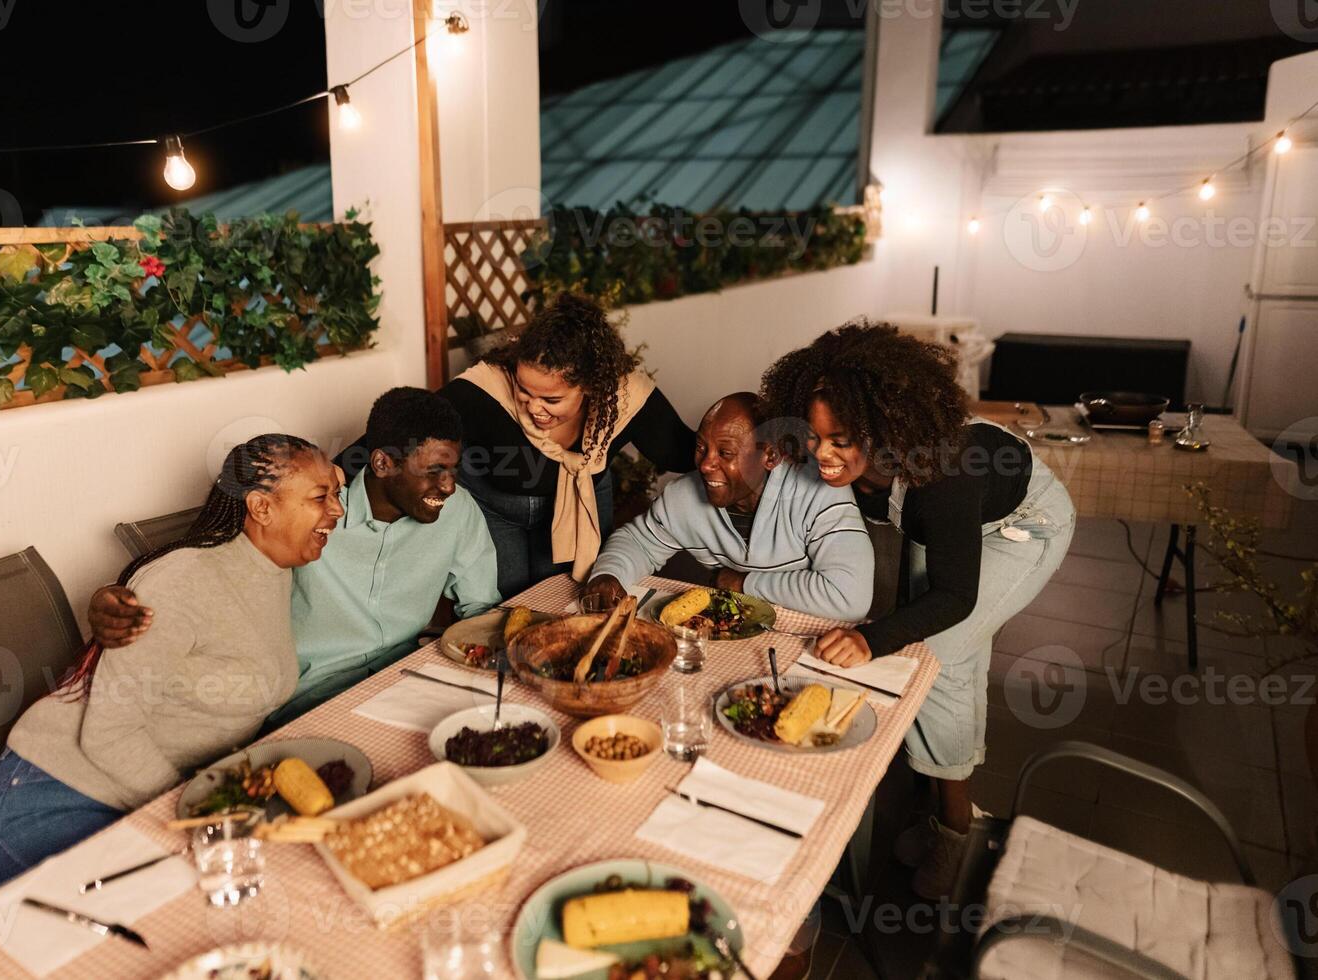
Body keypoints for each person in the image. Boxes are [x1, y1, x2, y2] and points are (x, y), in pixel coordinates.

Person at [761, 321, 1075, 900]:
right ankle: (937, 804)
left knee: (938, 656)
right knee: (933, 645)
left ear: (885, 428)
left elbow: (956, 595)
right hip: (955, 527)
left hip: (1026, 528)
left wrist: (871, 638)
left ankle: (956, 828)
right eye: (812, 436)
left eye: (840, 440)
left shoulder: (944, 472)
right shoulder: (857, 456)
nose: (821, 455)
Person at [0, 435, 341, 894]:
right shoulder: (183, 582)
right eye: (322, 498)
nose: (337, 510)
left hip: (148, 800)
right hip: (53, 797)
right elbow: (109, 733)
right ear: (261, 508)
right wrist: (199, 809)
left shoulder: (273, 567)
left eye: (336, 493)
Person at [86, 388, 501, 729]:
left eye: (454, 470)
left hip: (408, 680)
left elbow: (481, 609)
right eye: (433, 471)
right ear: (382, 464)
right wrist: (114, 596)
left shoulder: (458, 510)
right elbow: (206, 563)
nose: (448, 486)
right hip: (308, 702)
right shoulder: (304, 518)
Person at [342, 293, 696, 597]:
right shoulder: (484, 390)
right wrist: (335, 471)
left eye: (551, 399)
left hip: (580, 503)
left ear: (590, 387)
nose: (533, 407)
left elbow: (684, 452)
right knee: (505, 605)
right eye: (524, 391)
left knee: (571, 600)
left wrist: (745, 439)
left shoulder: (625, 397)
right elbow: (408, 430)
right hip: (497, 507)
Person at [582, 392, 873, 623]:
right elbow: (637, 542)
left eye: (725, 453)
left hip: (809, 642)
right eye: (700, 447)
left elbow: (849, 597)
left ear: (770, 456)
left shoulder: (820, 492)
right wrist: (609, 574)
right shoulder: (684, 496)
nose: (706, 464)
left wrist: (741, 583)